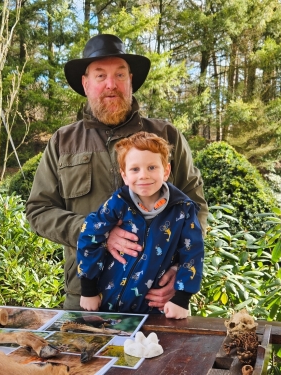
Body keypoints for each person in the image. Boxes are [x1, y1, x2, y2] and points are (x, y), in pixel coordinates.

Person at [26, 33, 208, 311]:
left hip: (158, 297)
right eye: (100, 76)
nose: (111, 85)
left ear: (130, 81)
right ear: (86, 84)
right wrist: (97, 232)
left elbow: (195, 207)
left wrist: (182, 272)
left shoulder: (165, 136)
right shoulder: (63, 142)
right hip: (87, 297)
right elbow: (38, 211)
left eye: (120, 75)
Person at [77, 132, 204, 318]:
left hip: (156, 309)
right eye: (135, 169)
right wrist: (88, 289)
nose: (143, 175)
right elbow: (89, 234)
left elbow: (193, 252)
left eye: (152, 167)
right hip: (106, 305)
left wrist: (181, 298)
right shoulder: (117, 203)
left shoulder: (183, 210)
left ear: (166, 171)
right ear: (124, 175)